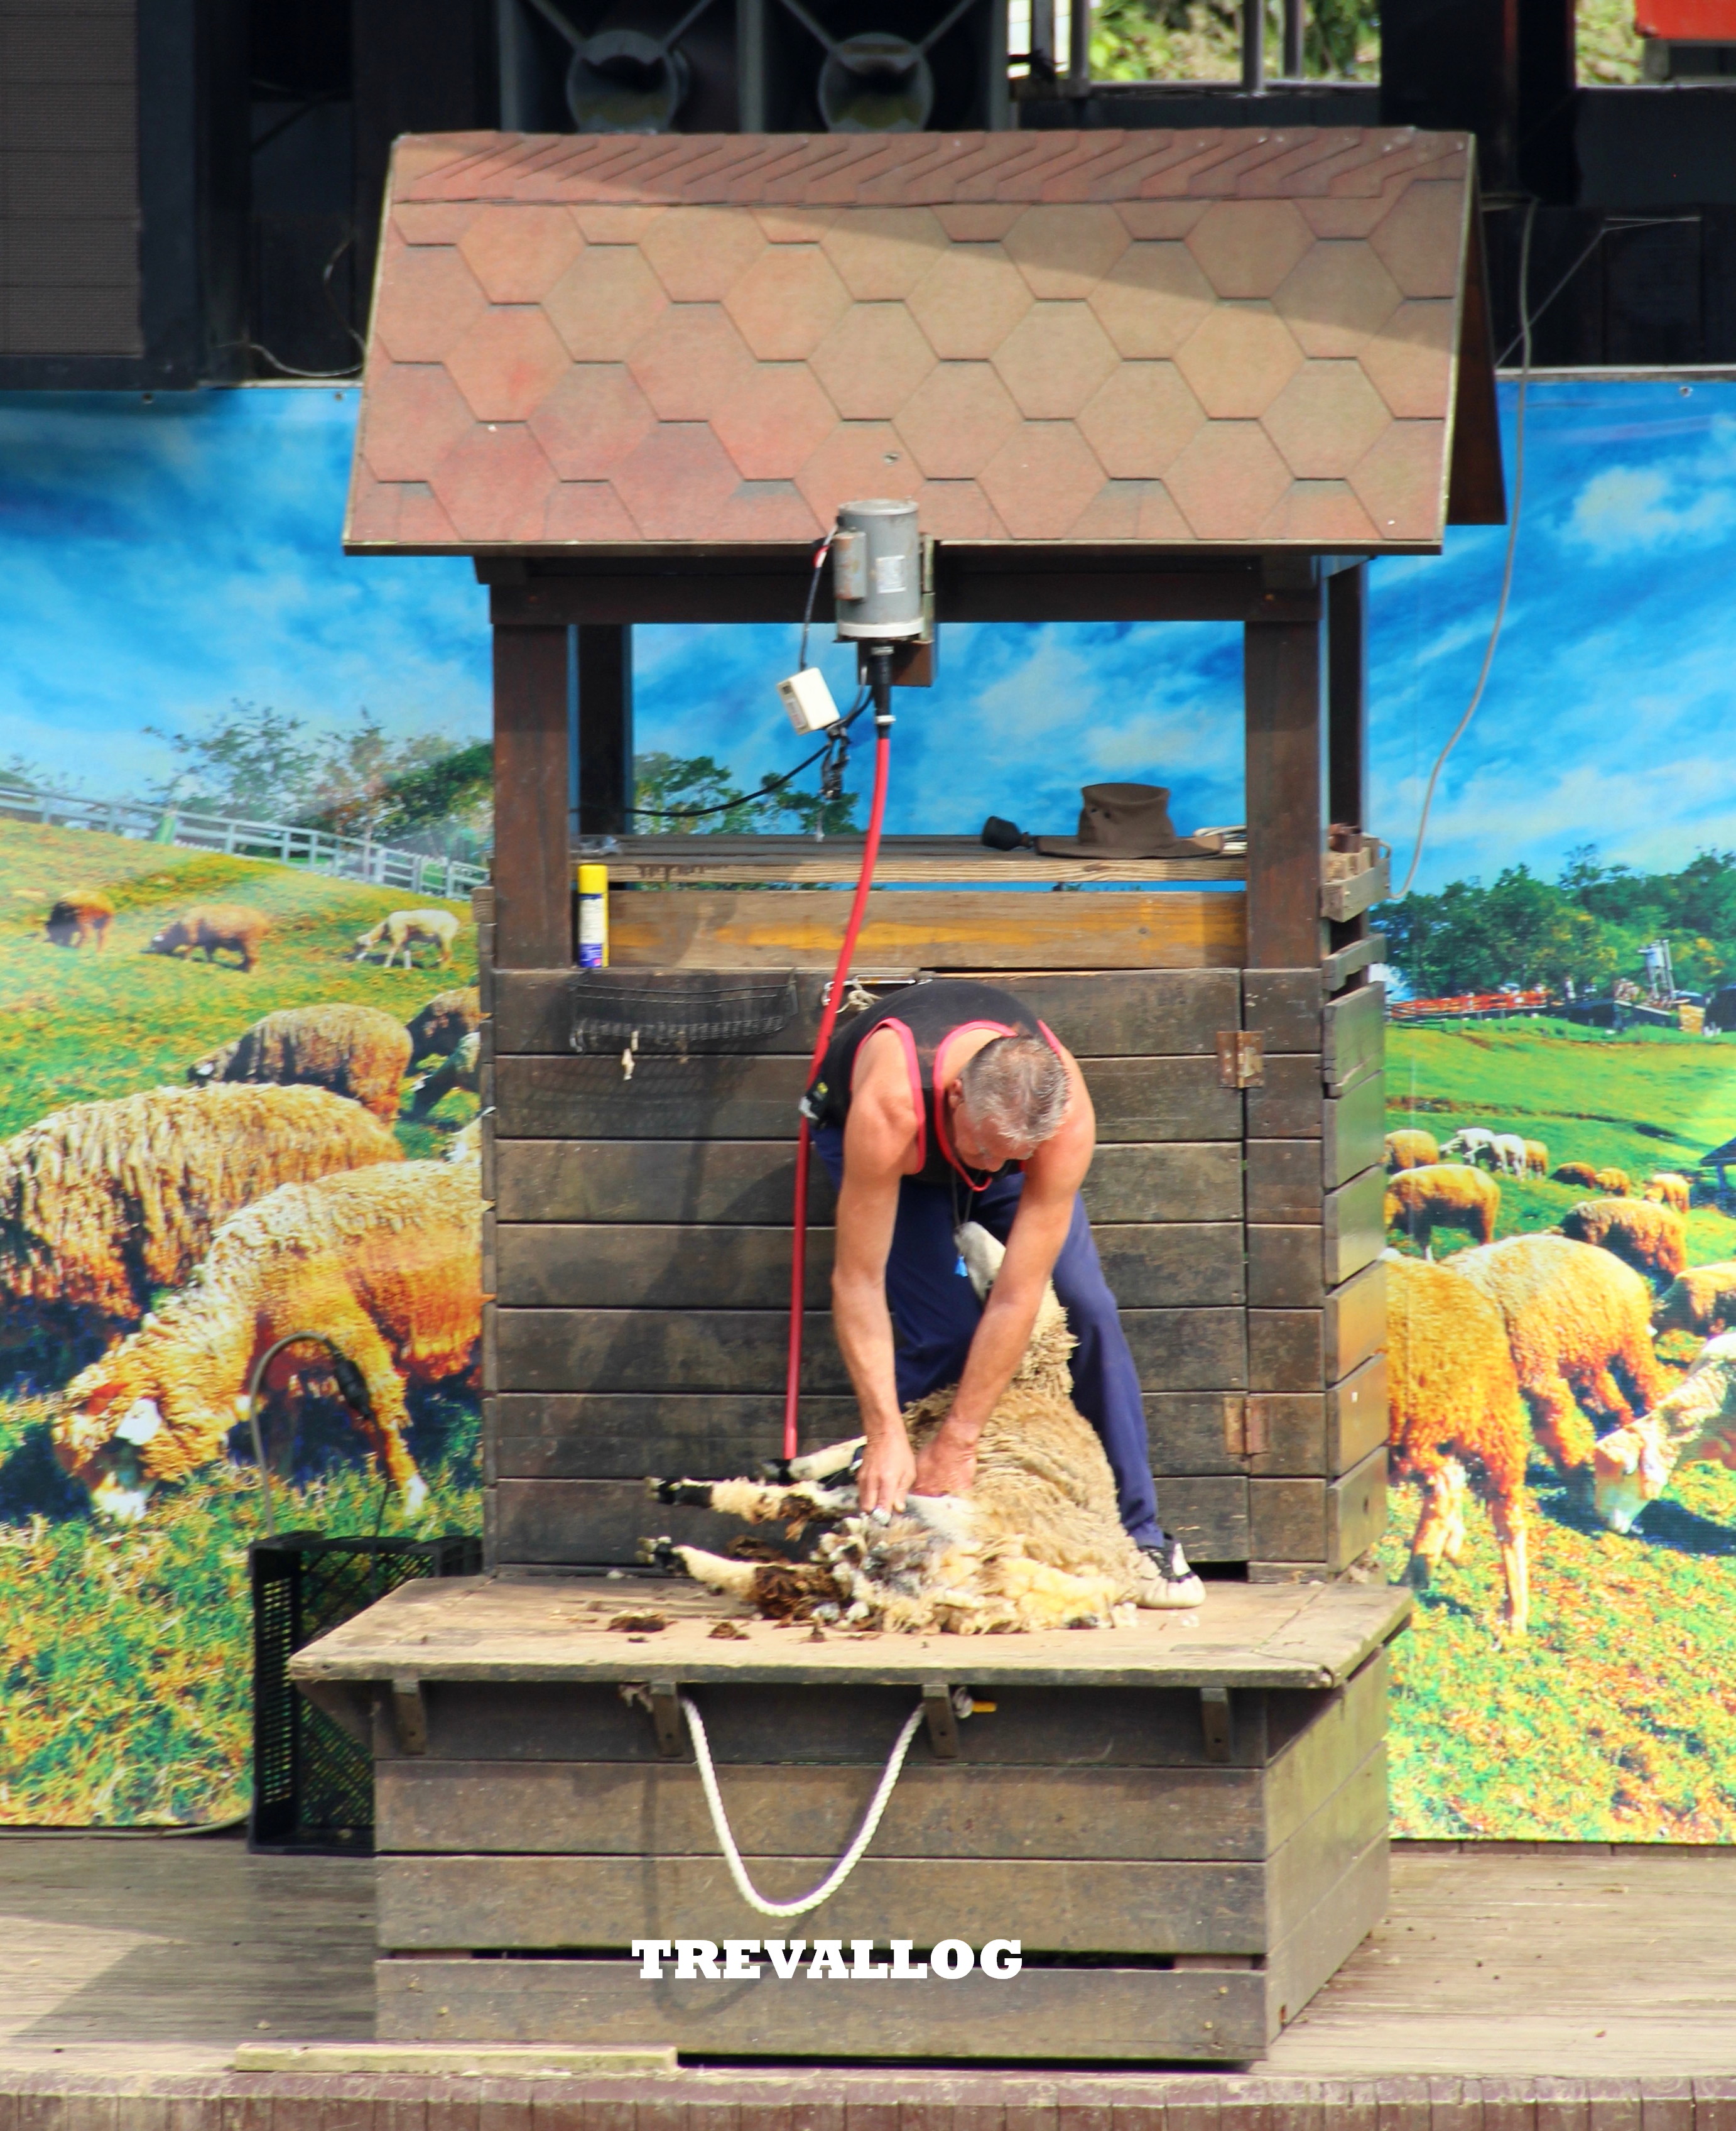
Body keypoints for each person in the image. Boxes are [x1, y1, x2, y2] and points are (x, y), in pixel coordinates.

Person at [803, 976, 1205, 1608]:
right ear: (957, 1092)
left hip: (991, 1132)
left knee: (1088, 1310)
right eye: (986, 1150)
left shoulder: (1058, 1123)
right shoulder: (891, 1107)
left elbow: (1019, 1296)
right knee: (945, 1330)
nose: (990, 1168)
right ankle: (908, 1522)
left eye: (1013, 1155)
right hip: (900, 1156)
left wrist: (961, 1435)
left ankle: (1141, 1535)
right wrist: (882, 1430)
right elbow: (858, 1282)